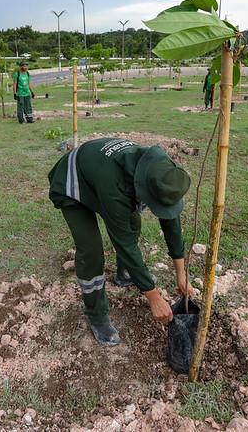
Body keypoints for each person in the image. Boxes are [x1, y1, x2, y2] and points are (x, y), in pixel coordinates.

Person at [48, 137, 193, 346]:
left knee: (133, 224)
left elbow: (171, 222)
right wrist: (153, 296)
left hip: (98, 173)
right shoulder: (114, 187)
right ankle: (96, 315)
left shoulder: (163, 173)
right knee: (91, 251)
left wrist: (181, 273)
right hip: (72, 182)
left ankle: (125, 274)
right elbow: (124, 244)